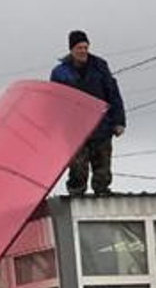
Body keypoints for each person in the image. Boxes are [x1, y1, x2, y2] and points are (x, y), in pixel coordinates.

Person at [50, 29, 126, 196]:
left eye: (85, 47)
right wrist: (57, 128)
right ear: (71, 49)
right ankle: (76, 193)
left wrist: (119, 121)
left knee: (102, 165)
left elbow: (112, 93)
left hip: (101, 126)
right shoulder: (60, 73)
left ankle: (102, 191)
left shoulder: (100, 67)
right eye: (79, 48)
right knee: (78, 168)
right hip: (75, 130)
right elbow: (55, 103)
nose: (83, 51)